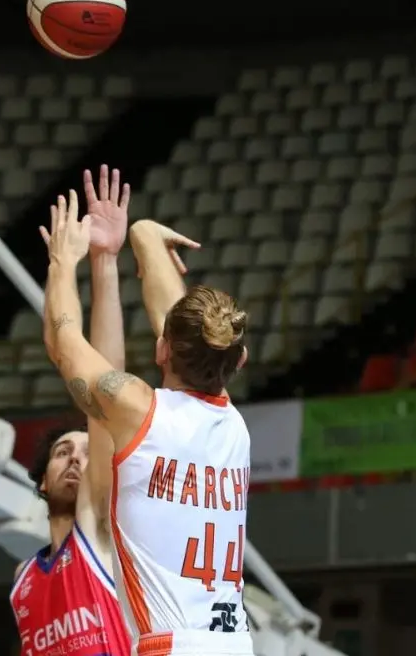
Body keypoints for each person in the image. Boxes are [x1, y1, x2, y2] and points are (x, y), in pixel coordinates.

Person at [41, 191, 254, 656]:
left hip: (171, 647)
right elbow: (180, 332)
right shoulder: (233, 425)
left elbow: (63, 343)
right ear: (239, 360)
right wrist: (144, 238)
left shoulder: (137, 409)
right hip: (236, 644)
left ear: (161, 351)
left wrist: (63, 261)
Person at [10, 166, 132, 656]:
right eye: (64, 451)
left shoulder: (96, 529)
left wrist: (102, 264)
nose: (79, 458)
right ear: (41, 480)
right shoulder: (22, 581)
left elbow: (104, 386)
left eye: (86, 449)